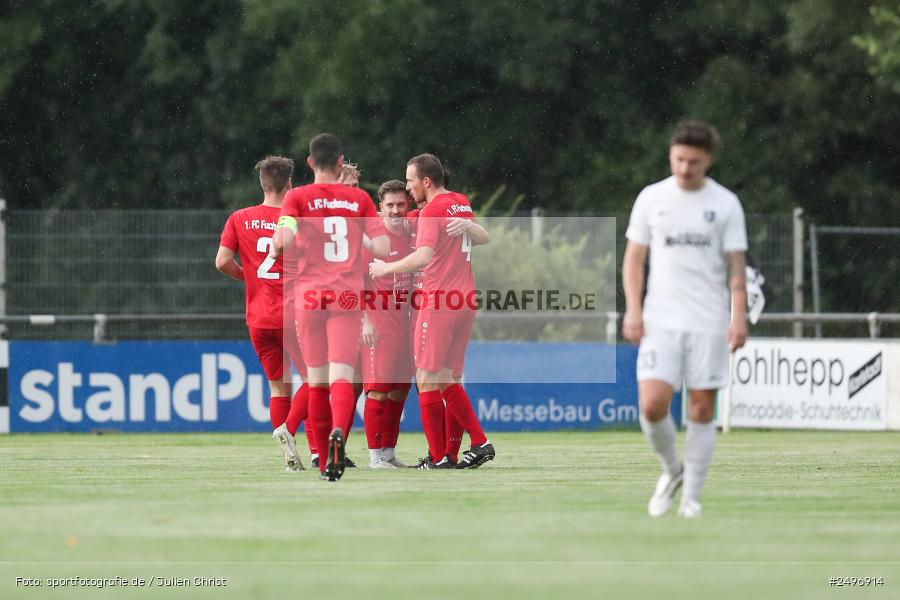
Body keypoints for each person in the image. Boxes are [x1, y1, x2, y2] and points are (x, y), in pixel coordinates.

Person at [622, 120, 748, 518]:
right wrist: (634, 308)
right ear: (670, 155)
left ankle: (691, 498)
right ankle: (671, 471)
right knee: (653, 405)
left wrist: (738, 317)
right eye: (678, 159)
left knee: (699, 409)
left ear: (708, 159)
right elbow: (634, 259)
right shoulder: (651, 198)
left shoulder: (725, 204)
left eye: (693, 161)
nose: (684, 168)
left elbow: (737, 269)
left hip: (709, 321)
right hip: (660, 320)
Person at [273, 133, 388, 481]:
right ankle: (340, 430)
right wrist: (361, 236)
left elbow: (282, 243)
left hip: (309, 297)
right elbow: (382, 247)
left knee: (316, 380)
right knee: (342, 376)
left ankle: (324, 460)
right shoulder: (359, 199)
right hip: (346, 297)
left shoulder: (297, 197)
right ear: (341, 163)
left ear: (309, 163)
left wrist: (290, 235)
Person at [370, 153, 494, 469]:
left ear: (426, 181)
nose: (409, 190)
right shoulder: (458, 201)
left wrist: (386, 269)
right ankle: (466, 449)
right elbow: (484, 237)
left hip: (438, 302)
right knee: (448, 378)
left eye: (410, 181)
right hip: (464, 300)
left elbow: (423, 256)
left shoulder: (433, 210)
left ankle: (444, 455)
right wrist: (468, 224)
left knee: (427, 380)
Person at [215, 156, 313, 472]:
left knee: (278, 386)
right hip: (296, 315)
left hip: (259, 316)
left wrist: (251, 276)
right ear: (289, 184)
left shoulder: (240, 217)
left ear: (262, 184)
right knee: (316, 378)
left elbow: (221, 262)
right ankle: (290, 430)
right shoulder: (297, 218)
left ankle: (289, 459)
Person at [361, 180, 416, 468]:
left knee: (399, 391)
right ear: (380, 207)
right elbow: (352, 281)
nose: (396, 210)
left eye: (401, 204)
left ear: (409, 205)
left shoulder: (412, 236)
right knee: (378, 390)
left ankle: (388, 454)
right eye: (390, 205)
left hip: (405, 323)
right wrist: (365, 321)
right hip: (378, 322)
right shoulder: (373, 239)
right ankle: (374, 456)